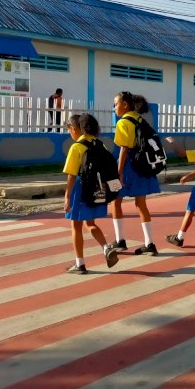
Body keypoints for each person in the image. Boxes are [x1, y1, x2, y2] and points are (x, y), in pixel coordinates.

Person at [62, 113, 119, 274]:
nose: (70, 133)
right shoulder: (101, 145)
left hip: (81, 189)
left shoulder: (76, 147)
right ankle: (106, 248)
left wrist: (67, 196)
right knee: (90, 223)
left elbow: (71, 175)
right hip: (97, 189)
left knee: (76, 226)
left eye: (70, 130)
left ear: (75, 129)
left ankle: (80, 264)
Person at [111, 91, 161, 256]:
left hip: (128, 166)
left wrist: (118, 173)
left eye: (116, 104)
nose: (114, 107)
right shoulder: (140, 119)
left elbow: (124, 149)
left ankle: (120, 240)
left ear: (125, 104)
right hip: (143, 166)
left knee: (115, 201)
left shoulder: (123, 122)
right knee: (141, 204)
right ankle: (149, 243)